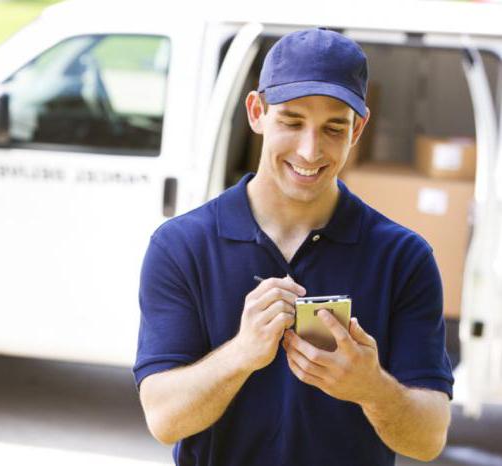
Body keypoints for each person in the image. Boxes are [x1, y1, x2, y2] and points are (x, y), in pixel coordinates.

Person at [133, 28, 453, 466]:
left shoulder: (403, 258)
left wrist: (371, 388)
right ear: (256, 112)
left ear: (358, 129)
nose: (310, 150)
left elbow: (429, 438)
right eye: (292, 121)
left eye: (333, 128)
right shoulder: (183, 246)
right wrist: (242, 354)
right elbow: (164, 420)